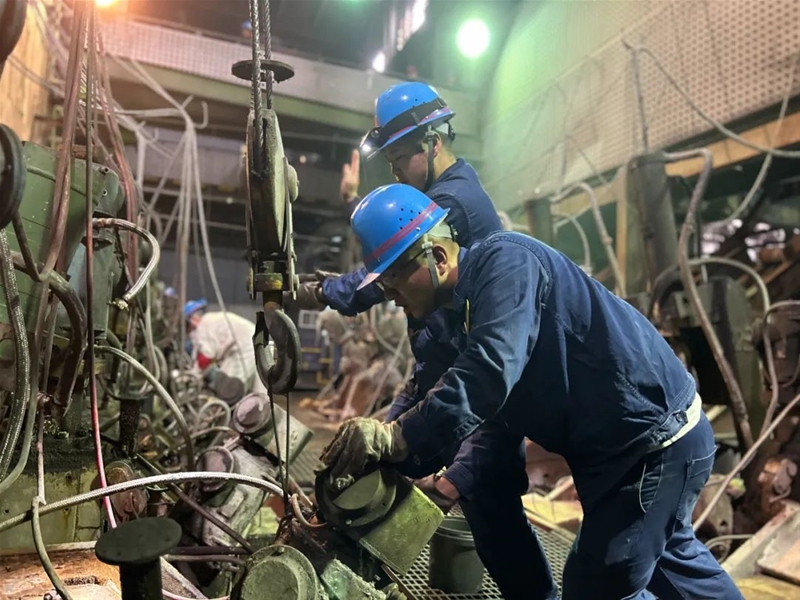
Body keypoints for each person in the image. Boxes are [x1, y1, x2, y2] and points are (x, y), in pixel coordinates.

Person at [320, 184, 745, 600]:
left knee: (597, 585)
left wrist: (396, 438)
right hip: (618, 450)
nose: (391, 298)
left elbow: (488, 373)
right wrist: (383, 443)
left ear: (438, 257)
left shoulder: (507, 264)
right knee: (673, 563)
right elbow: (435, 386)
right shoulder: (456, 313)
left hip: (652, 444)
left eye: (393, 281)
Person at [295, 82, 555, 598]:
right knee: (475, 502)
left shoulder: (448, 204)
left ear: (432, 142)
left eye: (398, 159)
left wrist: (324, 291)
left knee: (485, 500)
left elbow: (383, 280)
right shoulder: (450, 193)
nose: (395, 171)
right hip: (448, 366)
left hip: (476, 383)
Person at [185, 300, 258, 405]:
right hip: (250, 341)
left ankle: (229, 409)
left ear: (192, 320)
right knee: (244, 383)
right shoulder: (211, 319)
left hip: (245, 346)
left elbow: (206, 357)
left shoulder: (202, 326)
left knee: (228, 384)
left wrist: (195, 373)